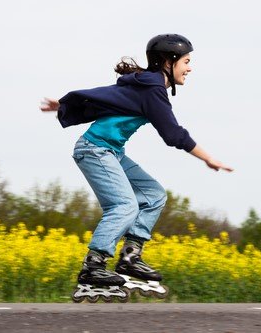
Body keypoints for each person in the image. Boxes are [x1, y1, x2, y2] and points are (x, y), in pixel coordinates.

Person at [40, 34, 233, 302]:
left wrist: (65, 104)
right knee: (124, 206)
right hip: (95, 151)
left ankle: (131, 256)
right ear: (169, 61)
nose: (190, 68)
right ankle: (93, 266)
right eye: (187, 62)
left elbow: (107, 97)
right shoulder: (152, 88)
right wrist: (208, 158)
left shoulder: (146, 85)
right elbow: (172, 134)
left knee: (153, 194)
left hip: (111, 152)